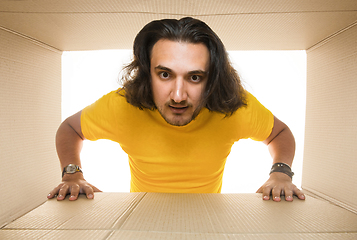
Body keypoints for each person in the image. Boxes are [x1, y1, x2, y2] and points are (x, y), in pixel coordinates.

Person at [48, 17, 305, 202]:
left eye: (195, 77)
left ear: (212, 78)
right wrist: (73, 174)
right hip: (142, 216)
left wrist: (280, 173)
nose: (179, 96)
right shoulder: (123, 104)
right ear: (147, 73)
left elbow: (279, 132)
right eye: (164, 74)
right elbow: (71, 128)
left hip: (207, 218)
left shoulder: (231, 105)